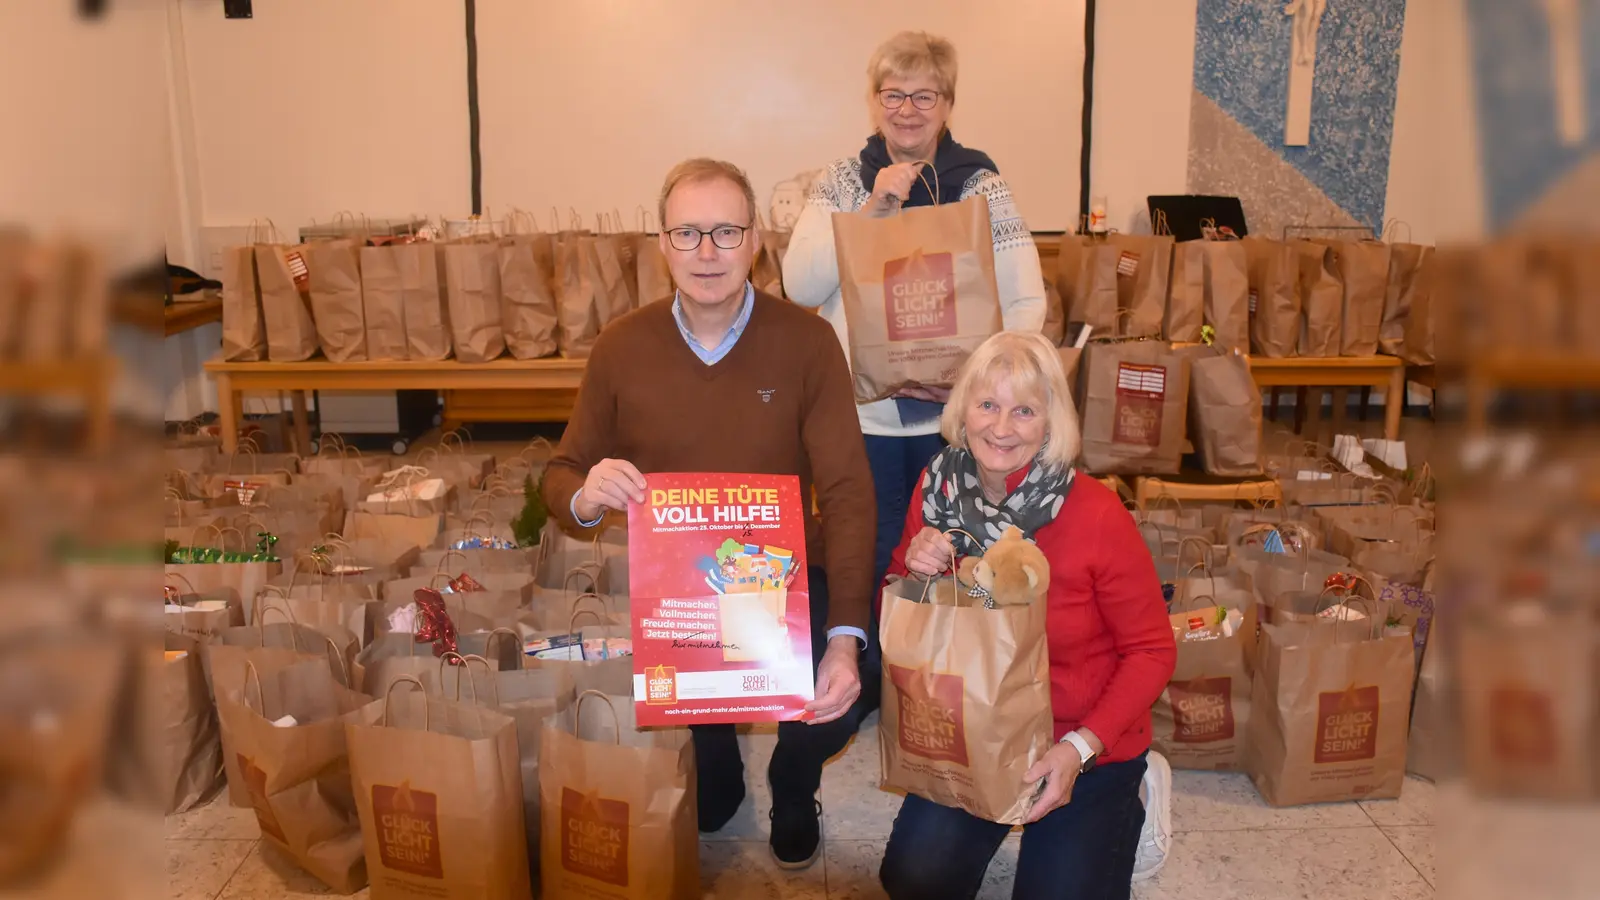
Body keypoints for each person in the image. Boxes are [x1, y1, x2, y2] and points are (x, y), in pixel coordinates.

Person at [541, 158, 875, 870]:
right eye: (687, 232)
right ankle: (715, 754)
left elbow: (847, 491)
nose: (707, 252)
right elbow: (559, 477)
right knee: (715, 805)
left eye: (726, 231)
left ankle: (793, 777)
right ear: (661, 244)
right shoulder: (622, 347)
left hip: (786, 581)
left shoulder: (808, 342)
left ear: (756, 241)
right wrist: (586, 491)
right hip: (680, 599)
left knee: (853, 684)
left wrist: (845, 640)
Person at [782, 30, 1048, 706]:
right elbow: (800, 284)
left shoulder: (981, 184)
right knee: (866, 549)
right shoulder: (844, 181)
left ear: (947, 102)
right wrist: (873, 210)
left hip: (956, 420)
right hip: (863, 413)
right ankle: (867, 683)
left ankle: (943, 679)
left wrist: (990, 395)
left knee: (956, 548)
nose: (907, 109)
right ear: (874, 102)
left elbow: (1024, 298)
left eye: (923, 95)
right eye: (893, 94)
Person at [874, 332, 1177, 899]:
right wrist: (915, 574)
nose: (1001, 427)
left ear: (1051, 423)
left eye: (1024, 410)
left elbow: (1153, 651)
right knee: (915, 880)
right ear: (963, 410)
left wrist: (1080, 748)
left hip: (1081, 736)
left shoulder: (1095, 513)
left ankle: (1136, 789)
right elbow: (897, 621)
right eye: (987, 404)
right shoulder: (937, 489)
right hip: (976, 727)